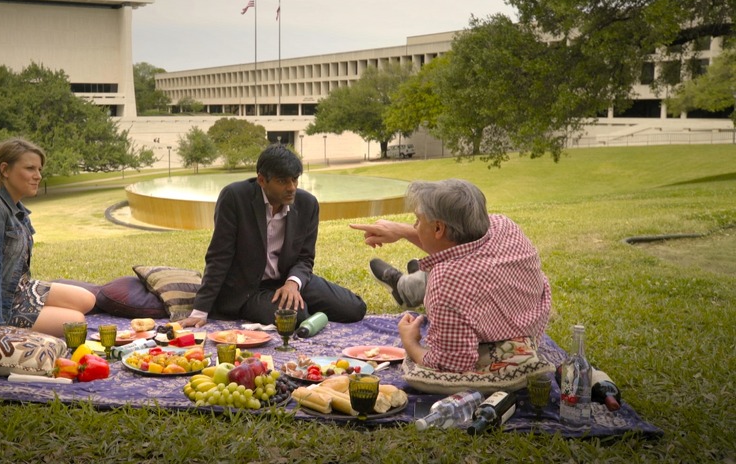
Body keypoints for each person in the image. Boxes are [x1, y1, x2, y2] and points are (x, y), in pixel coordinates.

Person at [349, 178, 551, 373]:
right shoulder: (504, 226)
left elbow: (451, 366)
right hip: (531, 323)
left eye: (418, 220)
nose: (415, 226)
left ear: (438, 227)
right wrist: (401, 231)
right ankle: (409, 282)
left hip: (503, 343)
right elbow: (458, 247)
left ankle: (406, 286)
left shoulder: (446, 282)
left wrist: (410, 342)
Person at [179, 144, 367, 328]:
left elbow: (305, 258)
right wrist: (200, 310)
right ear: (261, 180)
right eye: (282, 181)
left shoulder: (307, 204)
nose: (291, 187)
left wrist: (293, 283)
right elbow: (219, 256)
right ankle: (305, 312)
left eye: (294, 179)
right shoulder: (235, 198)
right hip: (249, 289)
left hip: (288, 279)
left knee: (354, 309)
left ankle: (306, 307)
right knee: (294, 317)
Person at [0, 138, 96, 338]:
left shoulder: (13, 207)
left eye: (39, 169)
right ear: (4, 170)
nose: (38, 176)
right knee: (75, 321)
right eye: (30, 168)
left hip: (16, 289)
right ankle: (5, 327)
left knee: (87, 299)